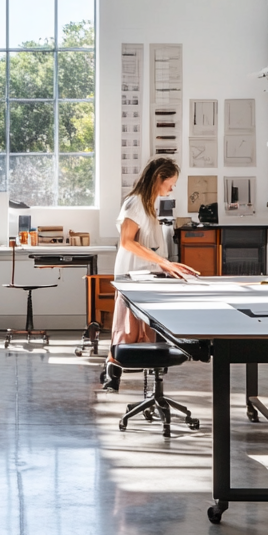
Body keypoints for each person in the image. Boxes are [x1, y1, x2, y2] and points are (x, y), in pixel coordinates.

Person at [104, 158, 197, 391]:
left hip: (145, 274)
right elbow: (127, 242)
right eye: (171, 183)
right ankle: (111, 372)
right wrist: (163, 262)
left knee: (146, 330)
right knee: (127, 328)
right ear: (159, 178)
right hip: (131, 275)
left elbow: (148, 245)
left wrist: (168, 266)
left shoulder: (149, 204)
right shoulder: (134, 202)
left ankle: (148, 383)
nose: (172, 188)